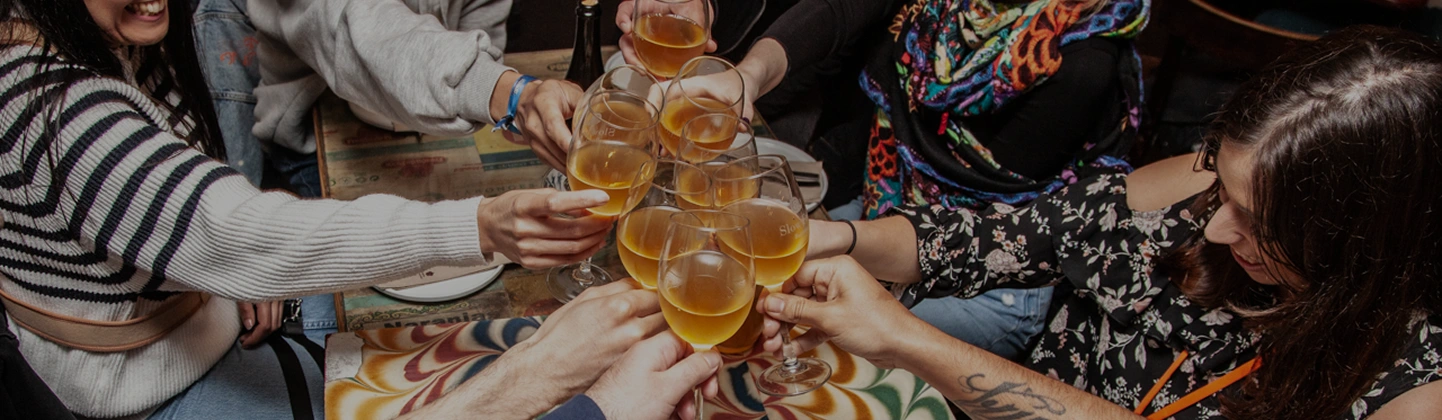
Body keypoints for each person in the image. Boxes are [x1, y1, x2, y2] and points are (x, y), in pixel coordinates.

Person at [0, 0, 678, 417]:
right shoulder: (52, 107)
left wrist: (226, 266)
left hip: (209, 314)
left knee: (447, 344)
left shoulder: (120, 43)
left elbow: (188, 209)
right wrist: (478, 226)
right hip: (152, 390)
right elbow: (229, 233)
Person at [757, 25, 1442, 419]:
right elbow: (1000, 238)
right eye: (1222, 186)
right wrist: (838, 238)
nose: (1215, 228)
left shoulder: (1414, 393)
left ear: (1367, 242)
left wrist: (908, 341)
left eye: (1260, 222)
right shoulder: (1208, 188)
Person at [596, 0, 1147, 361]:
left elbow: (970, 227)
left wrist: (831, 252)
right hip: (884, 208)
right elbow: (836, 10)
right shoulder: (958, 11)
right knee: (724, 274)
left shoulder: (1084, 62)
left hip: (990, 279)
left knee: (783, 329)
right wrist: (747, 77)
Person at [249, 0, 584, 191]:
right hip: (319, 136)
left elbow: (482, 27)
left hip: (446, 124)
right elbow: (358, 34)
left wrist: (499, 99)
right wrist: (510, 95)